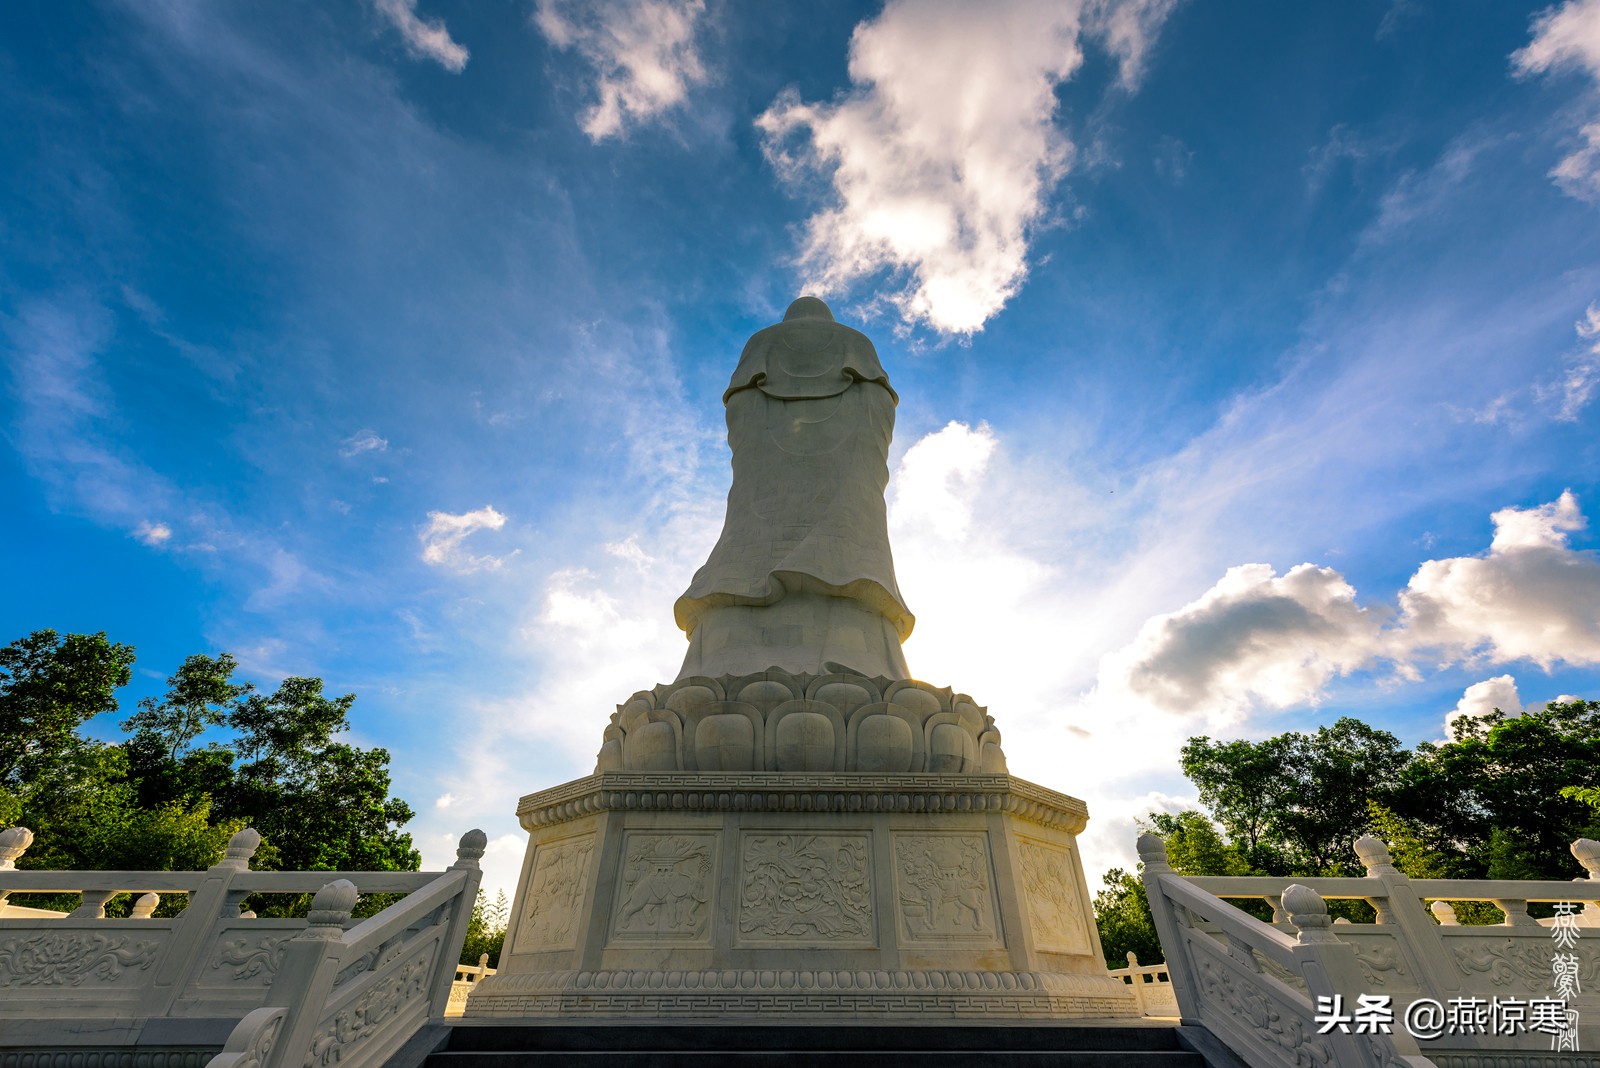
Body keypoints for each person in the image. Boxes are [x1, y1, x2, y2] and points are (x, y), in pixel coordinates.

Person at [674, 296, 914, 680]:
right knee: (848, 507)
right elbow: (879, 403)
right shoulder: (858, 345)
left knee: (834, 515)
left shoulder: (761, 344)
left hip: (770, 493)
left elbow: (739, 404)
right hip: (784, 497)